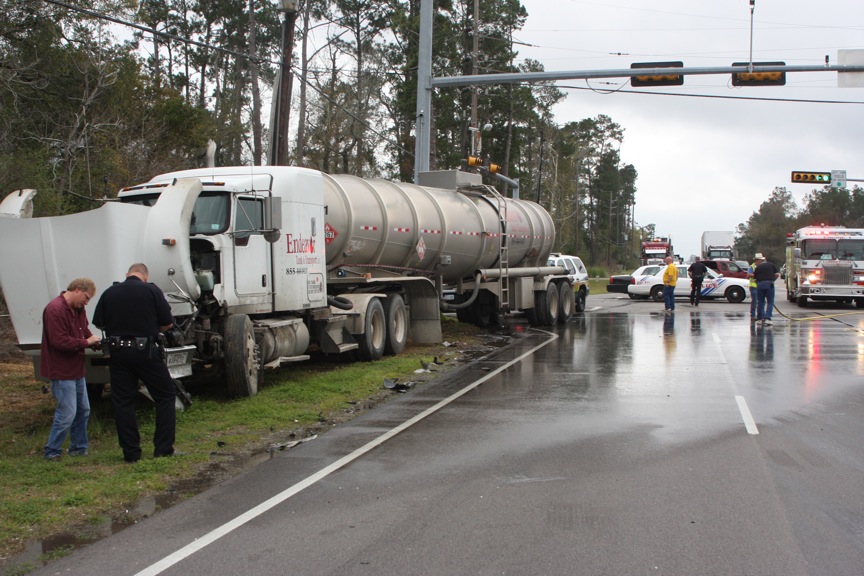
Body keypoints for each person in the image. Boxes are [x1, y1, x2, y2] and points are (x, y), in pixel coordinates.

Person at [93, 263, 177, 463]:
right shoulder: (152, 290)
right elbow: (167, 322)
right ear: (145, 277)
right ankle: (163, 449)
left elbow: (98, 322)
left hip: (118, 353)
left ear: (127, 274)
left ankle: (131, 453)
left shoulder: (110, 292)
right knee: (165, 395)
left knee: (123, 402)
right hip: (146, 352)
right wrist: (148, 327)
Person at [41, 278, 102, 461]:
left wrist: (94, 341)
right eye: (86, 297)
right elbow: (59, 342)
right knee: (67, 412)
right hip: (61, 370)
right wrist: (86, 342)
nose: (87, 302)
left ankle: (78, 448)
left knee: (83, 410)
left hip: (76, 368)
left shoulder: (78, 309)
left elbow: (84, 330)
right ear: (77, 290)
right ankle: (52, 451)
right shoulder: (55, 309)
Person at [752, 253, 781, 326]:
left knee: (760, 302)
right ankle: (768, 318)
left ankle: (759, 319)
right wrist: (772, 280)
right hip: (769, 284)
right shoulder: (771, 265)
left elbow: (755, 278)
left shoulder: (757, 267)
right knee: (770, 302)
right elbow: (777, 274)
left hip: (760, 285)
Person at [746, 254, 763, 322]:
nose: (761, 261)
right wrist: (756, 275)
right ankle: (753, 314)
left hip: (760, 286)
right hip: (753, 286)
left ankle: (761, 314)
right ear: (757, 260)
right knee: (755, 301)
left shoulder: (761, 266)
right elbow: (748, 275)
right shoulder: (752, 267)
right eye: (760, 260)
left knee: (761, 301)